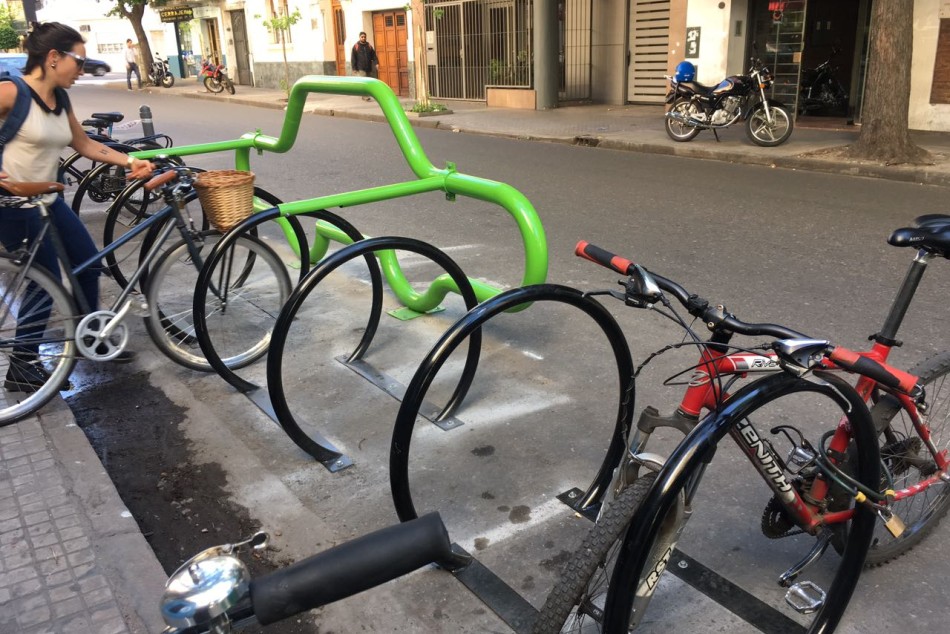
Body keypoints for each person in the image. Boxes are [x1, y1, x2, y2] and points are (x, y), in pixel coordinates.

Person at [0, 22, 155, 391]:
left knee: (87, 263)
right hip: (13, 204)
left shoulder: (61, 99)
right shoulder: (11, 92)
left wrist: (129, 162)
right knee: (46, 280)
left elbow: (85, 144)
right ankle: (22, 364)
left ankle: (92, 337)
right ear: (53, 58)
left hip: (48, 201)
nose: (82, 70)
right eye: (79, 61)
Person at [351, 32, 378, 101]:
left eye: (364, 37)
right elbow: (353, 58)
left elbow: (374, 55)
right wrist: (354, 68)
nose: (363, 38)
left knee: (368, 82)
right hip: (361, 68)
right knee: (364, 83)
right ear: (359, 37)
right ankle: (365, 96)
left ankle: (366, 95)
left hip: (368, 67)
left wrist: (376, 63)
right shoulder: (356, 46)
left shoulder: (369, 45)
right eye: (362, 37)